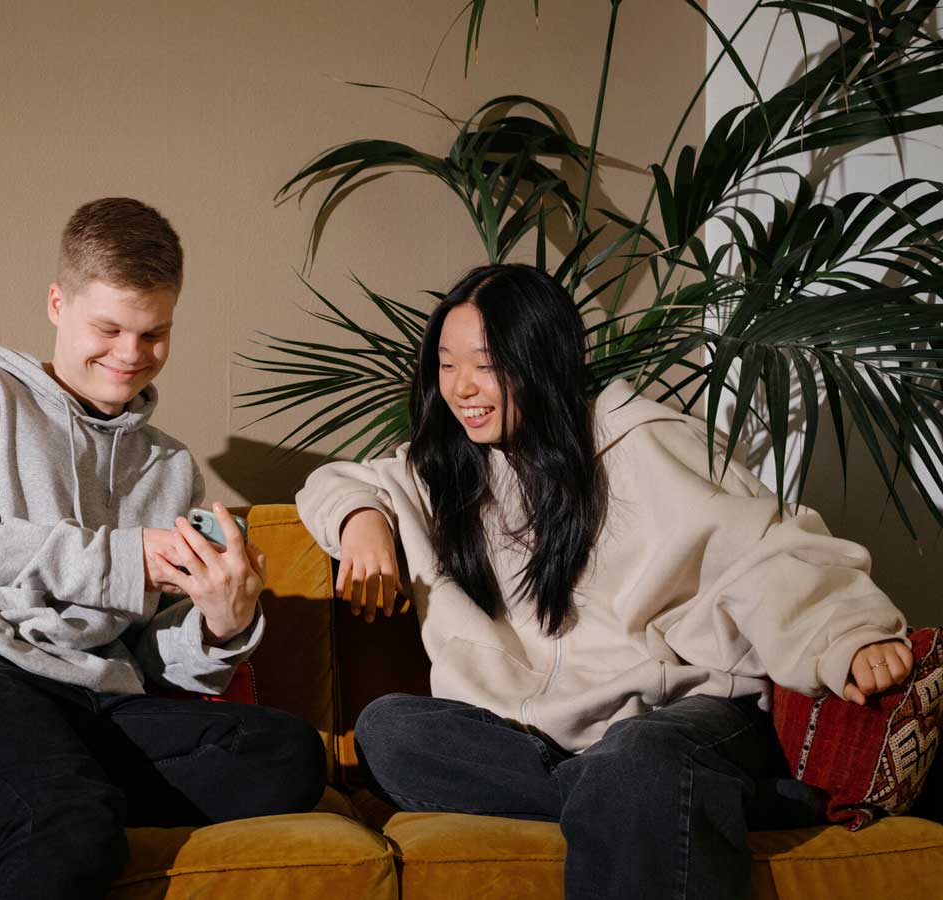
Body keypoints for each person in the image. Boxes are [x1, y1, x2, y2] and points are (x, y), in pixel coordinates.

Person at [295, 263, 913, 900]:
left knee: (640, 759)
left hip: (680, 713)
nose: (461, 387)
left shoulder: (634, 438)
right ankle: (706, 799)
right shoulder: (445, 474)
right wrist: (362, 521)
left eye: (485, 364)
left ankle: (651, 786)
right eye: (446, 365)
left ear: (541, 359)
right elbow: (333, 483)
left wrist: (847, 634)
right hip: (538, 740)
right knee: (388, 732)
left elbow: (765, 544)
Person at [0, 198, 326, 900]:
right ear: (56, 303)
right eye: (109, 328)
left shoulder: (170, 468)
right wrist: (122, 559)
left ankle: (20, 775)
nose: (131, 354)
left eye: (154, 333)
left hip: (84, 691)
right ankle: (40, 789)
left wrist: (220, 628)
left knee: (286, 755)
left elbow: (146, 654)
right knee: (74, 825)